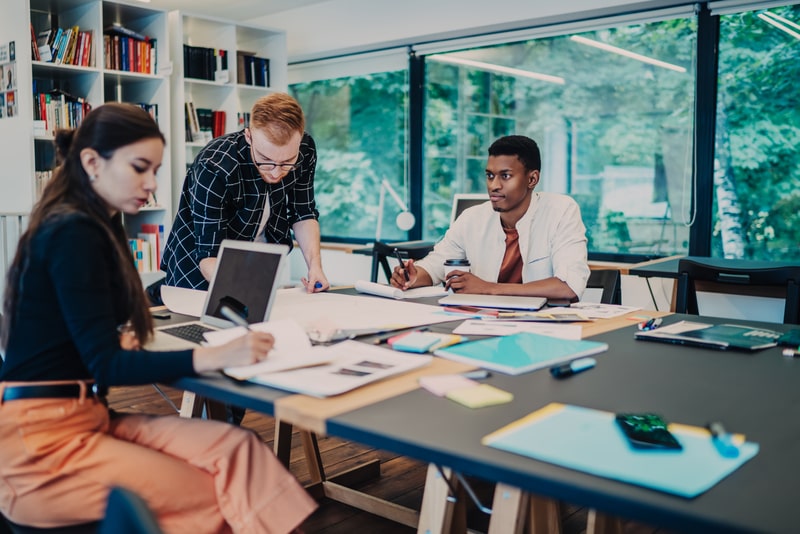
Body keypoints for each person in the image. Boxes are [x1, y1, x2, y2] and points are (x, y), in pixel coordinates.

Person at [0, 103, 317, 533]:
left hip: (86, 415)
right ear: (92, 162)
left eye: (156, 170)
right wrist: (214, 356)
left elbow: (82, 339)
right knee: (215, 493)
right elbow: (105, 364)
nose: (152, 186)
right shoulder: (71, 232)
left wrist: (111, 342)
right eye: (140, 169)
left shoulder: (100, 223)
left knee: (238, 449)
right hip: (41, 445)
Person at [162, 92, 329, 293]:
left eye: (287, 162)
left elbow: (303, 212)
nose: (276, 173)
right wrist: (241, 292)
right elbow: (209, 254)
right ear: (248, 136)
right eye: (265, 159)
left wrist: (315, 266)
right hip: (198, 267)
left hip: (256, 261)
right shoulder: (215, 165)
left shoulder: (305, 150)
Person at [391, 135, 589, 301]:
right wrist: (415, 275)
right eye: (489, 175)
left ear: (532, 179)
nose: (494, 185)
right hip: (483, 322)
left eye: (505, 176)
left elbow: (569, 286)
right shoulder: (472, 218)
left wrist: (488, 288)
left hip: (541, 329)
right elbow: (436, 265)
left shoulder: (561, 211)